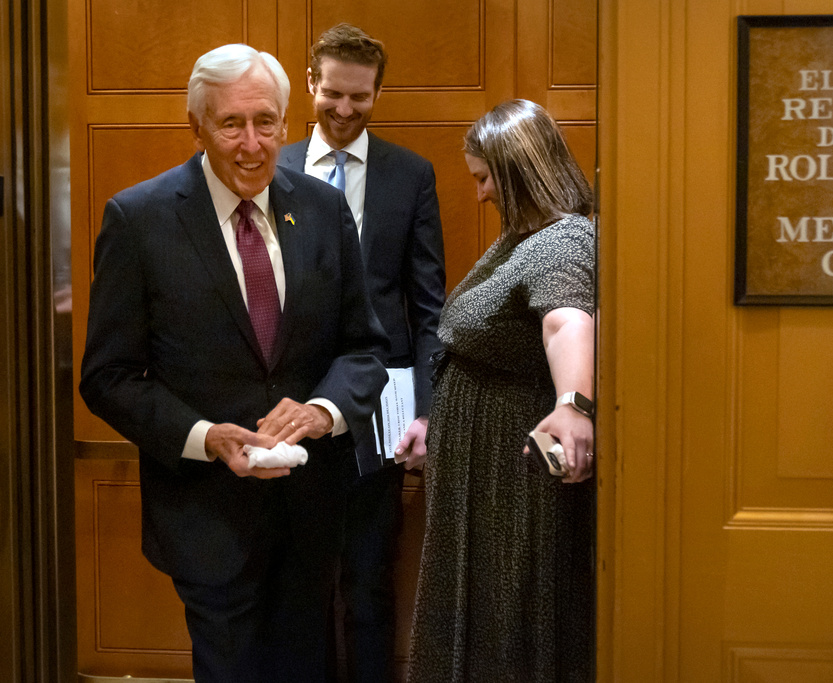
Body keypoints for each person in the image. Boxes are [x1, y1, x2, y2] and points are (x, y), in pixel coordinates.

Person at [79, 43, 389, 683]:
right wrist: (204, 436)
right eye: (231, 124)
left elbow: (363, 347)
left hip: (311, 511)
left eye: (266, 122)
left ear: (284, 120)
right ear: (197, 125)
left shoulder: (326, 211)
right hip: (207, 516)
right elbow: (107, 376)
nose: (252, 144)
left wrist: (322, 410)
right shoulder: (138, 220)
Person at [278, 23, 445, 681]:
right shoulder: (277, 167)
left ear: (378, 92)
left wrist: (427, 413)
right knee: (302, 581)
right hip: (291, 403)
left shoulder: (411, 176)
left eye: (361, 97)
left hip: (384, 408)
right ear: (311, 84)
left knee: (371, 574)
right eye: (333, 95)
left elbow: (428, 307)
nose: (345, 111)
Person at [408, 99, 596, 682]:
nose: (482, 193)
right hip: (481, 459)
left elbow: (567, 321)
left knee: (507, 606)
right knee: (482, 601)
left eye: (486, 178)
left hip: (509, 465)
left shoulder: (562, 241)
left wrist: (573, 405)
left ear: (518, 172)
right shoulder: (523, 236)